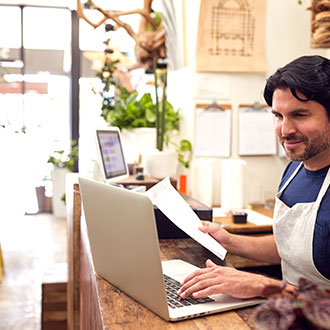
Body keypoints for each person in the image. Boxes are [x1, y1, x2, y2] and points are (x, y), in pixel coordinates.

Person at [177, 55, 330, 300]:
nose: (285, 130)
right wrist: (229, 240)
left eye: (300, 115)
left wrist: (263, 286)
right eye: (279, 116)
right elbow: (293, 249)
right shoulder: (296, 168)